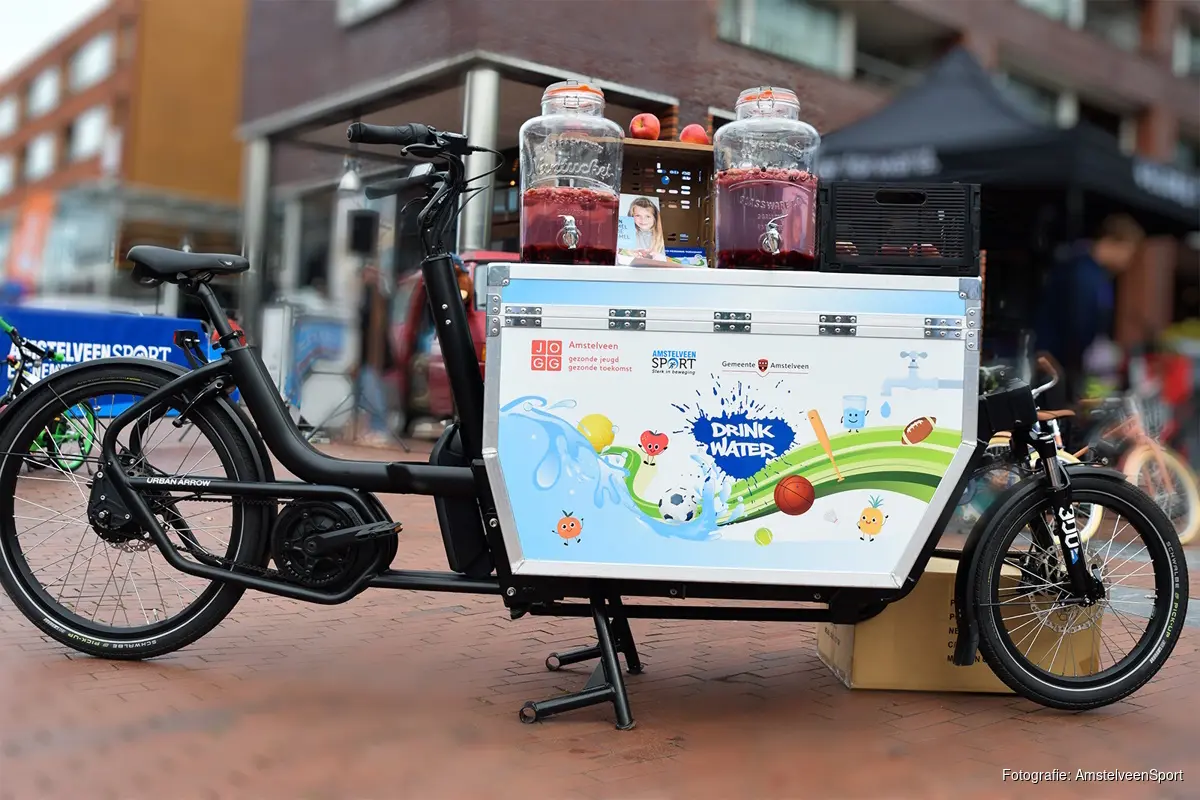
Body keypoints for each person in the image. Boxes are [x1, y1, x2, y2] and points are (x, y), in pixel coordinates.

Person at [1034, 213, 1144, 406]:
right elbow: (1076, 323)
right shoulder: (1082, 272)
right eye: (1129, 251)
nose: (1128, 261)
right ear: (1115, 242)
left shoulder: (1095, 274)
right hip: (1057, 361)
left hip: (1066, 362)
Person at [617, 196, 667, 265]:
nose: (643, 220)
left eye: (648, 216)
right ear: (632, 216)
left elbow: (678, 261)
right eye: (638, 215)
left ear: (655, 218)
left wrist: (659, 258)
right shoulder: (626, 234)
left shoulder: (662, 237)